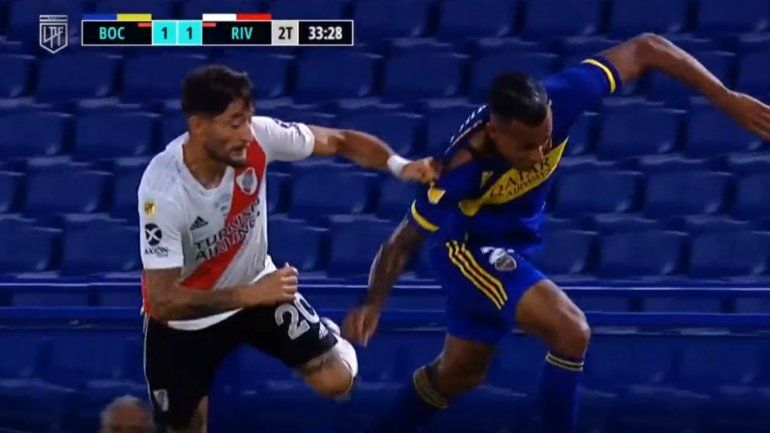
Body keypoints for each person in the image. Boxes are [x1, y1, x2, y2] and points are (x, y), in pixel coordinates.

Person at [343, 32, 770, 433]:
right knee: (571, 331)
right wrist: (373, 301)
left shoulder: (564, 96)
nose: (539, 154)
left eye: (545, 141)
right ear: (495, 131)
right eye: (526, 147)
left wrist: (726, 97)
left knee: (458, 375)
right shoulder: (458, 170)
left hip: (513, 244)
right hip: (467, 250)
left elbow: (647, 48)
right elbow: (401, 243)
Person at [138, 65, 438, 433]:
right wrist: (248, 296)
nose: (247, 134)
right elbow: (163, 299)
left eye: (248, 120)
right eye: (234, 123)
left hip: (258, 287)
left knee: (338, 379)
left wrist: (400, 166)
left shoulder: (259, 138)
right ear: (199, 125)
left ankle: (326, 334)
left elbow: (339, 140)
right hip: (187, 318)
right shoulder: (163, 191)